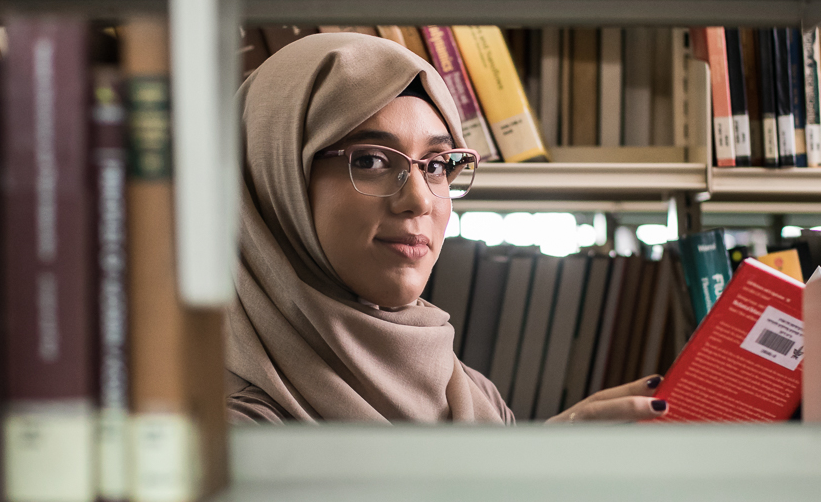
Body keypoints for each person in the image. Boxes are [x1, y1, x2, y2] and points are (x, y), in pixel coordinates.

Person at [226, 32, 670, 425]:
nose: (420, 199)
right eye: (371, 160)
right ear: (273, 179)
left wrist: (535, 470)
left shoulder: (476, 399)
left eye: (437, 165)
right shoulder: (229, 429)